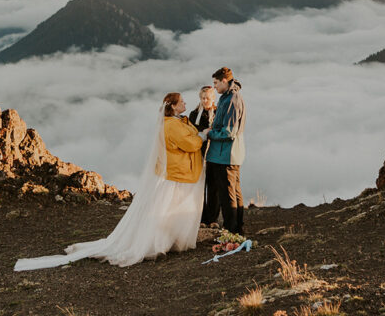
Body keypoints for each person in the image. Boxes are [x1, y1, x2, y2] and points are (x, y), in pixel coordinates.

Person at [14, 92, 205, 270]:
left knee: (168, 208)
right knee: (165, 208)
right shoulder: (171, 125)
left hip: (178, 170)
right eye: (182, 102)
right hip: (176, 171)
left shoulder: (175, 121)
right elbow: (189, 143)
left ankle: (166, 240)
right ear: (173, 106)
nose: (185, 104)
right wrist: (202, 137)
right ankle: (157, 242)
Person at [202, 66, 246, 234]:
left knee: (228, 195)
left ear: (224, 81)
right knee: (233, 192)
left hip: (225, 155)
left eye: (216, 83)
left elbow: (229, 131)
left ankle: (232, 230)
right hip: (223, 154)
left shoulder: (232, 100)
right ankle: (237, 228)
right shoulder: (226, 98)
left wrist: (210, 133)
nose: (214, 87)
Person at [189, 85, 218, 225]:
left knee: (213, 186)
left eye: (207, 98)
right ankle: (200, 218)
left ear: (213, 98)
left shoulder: (218, 112)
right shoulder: (194, 114)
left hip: (214, 153)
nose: (204, 100)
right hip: (198, 152)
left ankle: (212, 218)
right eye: (202, 98)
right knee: (200, 186)